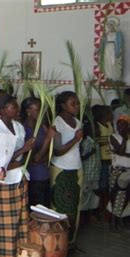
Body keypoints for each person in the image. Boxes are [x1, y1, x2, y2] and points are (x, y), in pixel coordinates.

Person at [0, 95, 33, 257]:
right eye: (13, 107)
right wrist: (23, 150)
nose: (17, 109)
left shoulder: (18, 126)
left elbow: (15, 159)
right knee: (6, 228)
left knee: (21, 224)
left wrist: (26, 150)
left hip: (19, 178)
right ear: (2, 110)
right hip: (4, 183)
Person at [50, 91, 83, 244]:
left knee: (74, 206)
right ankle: (57, 242)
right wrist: (76, 139)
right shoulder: (57, 123)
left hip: (76, 167)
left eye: (77, 103)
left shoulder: (78, 122)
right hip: (61, 168)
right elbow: (58, 150)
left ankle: (70, 241)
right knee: (59, 205)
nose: (77, 106)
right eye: (73, 103)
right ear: (63, 105)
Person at [21, 97, 56, 207]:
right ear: (28, 111)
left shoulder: (41, 126)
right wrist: (48, 138)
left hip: (44, 175)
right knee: (38, 211)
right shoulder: (25, 130)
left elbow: (51, 152)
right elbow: (35, 158)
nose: (41, 112)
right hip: (35, 178)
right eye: (38, 109)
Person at [108, 118, 130, 227]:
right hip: (118, 170)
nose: (120, 127)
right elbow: (121, 151)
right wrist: (125, 138)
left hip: (128, 170)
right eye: (119, 125)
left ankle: (122, 219)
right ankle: (114, 220)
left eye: (123, 125)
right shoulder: (113, 137)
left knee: (126, 196)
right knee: (116, 195)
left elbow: (120, 153)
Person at [79, 117, 101, 219]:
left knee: (92, 194)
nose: (98, 130)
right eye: (96, 129)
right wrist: (90, 153)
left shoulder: (95, 141)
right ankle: (83, 215)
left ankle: (89, 214)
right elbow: (82, 157)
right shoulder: (86, 142)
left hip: (95, 172)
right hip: (88, 173)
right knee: (85, 194)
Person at [101, 15, 124, 81]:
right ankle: (109, 77)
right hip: (107, 49)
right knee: (107, 63)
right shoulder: (107, 34)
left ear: (113, 25)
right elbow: (103, 43)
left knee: (113, 63)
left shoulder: (118, 33)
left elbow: (119, 43)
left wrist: (118, 51)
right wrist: (99, 49)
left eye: (110, 25)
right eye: (108, 26)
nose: (109, 27)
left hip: (114, 48)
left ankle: (115, 77)